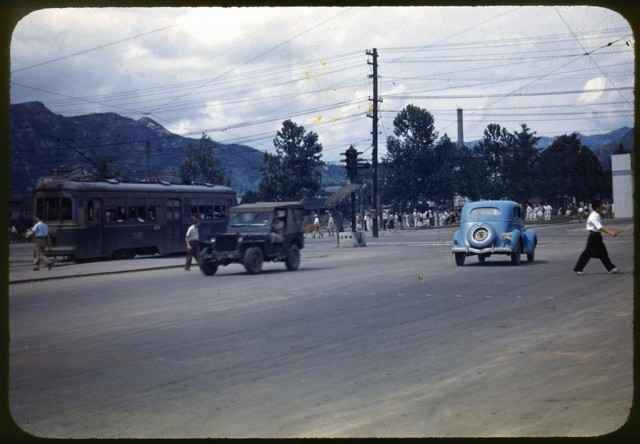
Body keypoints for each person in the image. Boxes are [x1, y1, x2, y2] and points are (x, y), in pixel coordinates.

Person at [574, 199, 619, 275]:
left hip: (596, 236)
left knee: (602, 253)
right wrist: (611, 233)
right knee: (589, 253)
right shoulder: (593, 216)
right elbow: (600, 227)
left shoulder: (597, 214)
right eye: (601, 205)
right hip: (594, 237)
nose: (602, 207)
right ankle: (579, 268)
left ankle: (610, 268)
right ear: (597, 207)